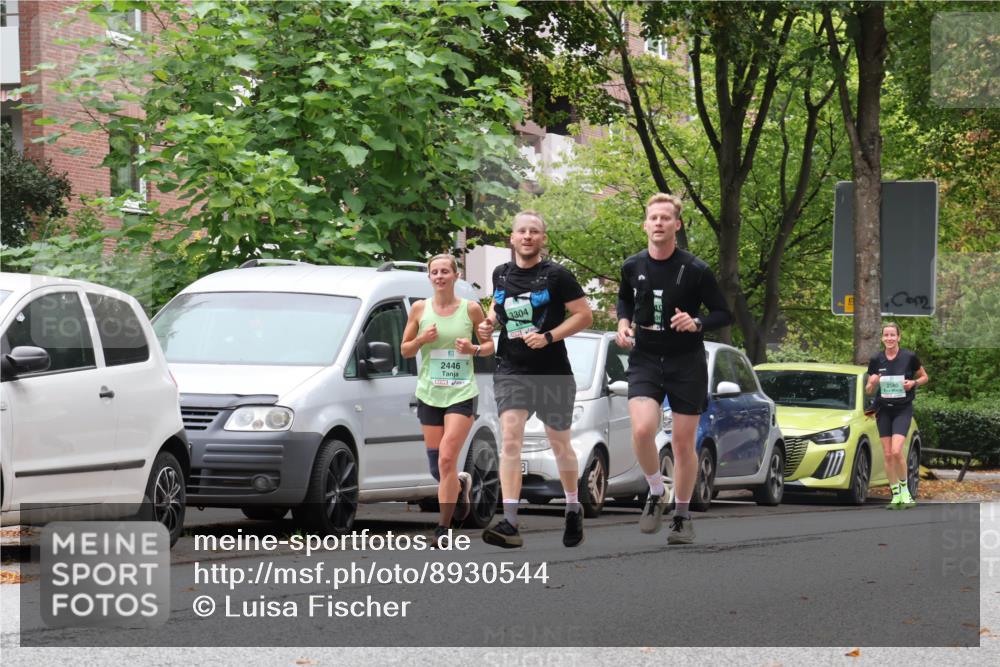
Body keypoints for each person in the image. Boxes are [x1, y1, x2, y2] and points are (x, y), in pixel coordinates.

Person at [616, 193, 731, 545]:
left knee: (683, 445)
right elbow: (624, 298)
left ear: (676, 225)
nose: (659, 224)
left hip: (686, 362)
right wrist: (623, 322)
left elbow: (724, 313)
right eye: (654, 218)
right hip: (646, 357)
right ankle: (655, 490)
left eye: (666, 218)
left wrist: (696, 321)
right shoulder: (632, 266)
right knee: (642, 430)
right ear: (645, 224)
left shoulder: (695, 269)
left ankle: (681, 515)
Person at [478, 210, 593, 548]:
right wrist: (488, 324)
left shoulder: (557, 276)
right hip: (512, 369)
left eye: (534, 232)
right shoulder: (501, 274)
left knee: (559, 443)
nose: (527, 236)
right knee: (511, 438)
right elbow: (498, 312)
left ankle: (573, 506)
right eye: (521, 232)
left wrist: (549, 337)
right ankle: (511, 521)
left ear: (542, 239)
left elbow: (584, 315)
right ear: (511, 238)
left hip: (552, 371)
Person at [402, 254, 494, 548]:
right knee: (438, 468)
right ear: (429, 277)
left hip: (461, 393)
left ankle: (443, 527)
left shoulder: (470, 309)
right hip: (429, 393)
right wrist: (421, 341)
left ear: (455, 276)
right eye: (435, 272)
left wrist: (472, 348)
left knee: (446, 458)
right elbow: (404, 350)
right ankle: (462, 484)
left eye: (445, 271)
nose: (440, 276)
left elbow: (490, 346)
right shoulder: (419, 309)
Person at [865, 322, 928, 509]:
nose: (890, 338)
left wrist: (913, 383)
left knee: (895, 451)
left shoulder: (909, 357)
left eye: (893, 335)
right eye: (886, 335)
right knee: (887, 454)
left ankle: (905, 492)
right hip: (883, 410)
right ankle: (895, 495)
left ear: (899, 337)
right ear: (882, 338)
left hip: (902, 409)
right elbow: (869, 390)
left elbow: (925, 377)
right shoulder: (876, 359)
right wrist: (873, 383)